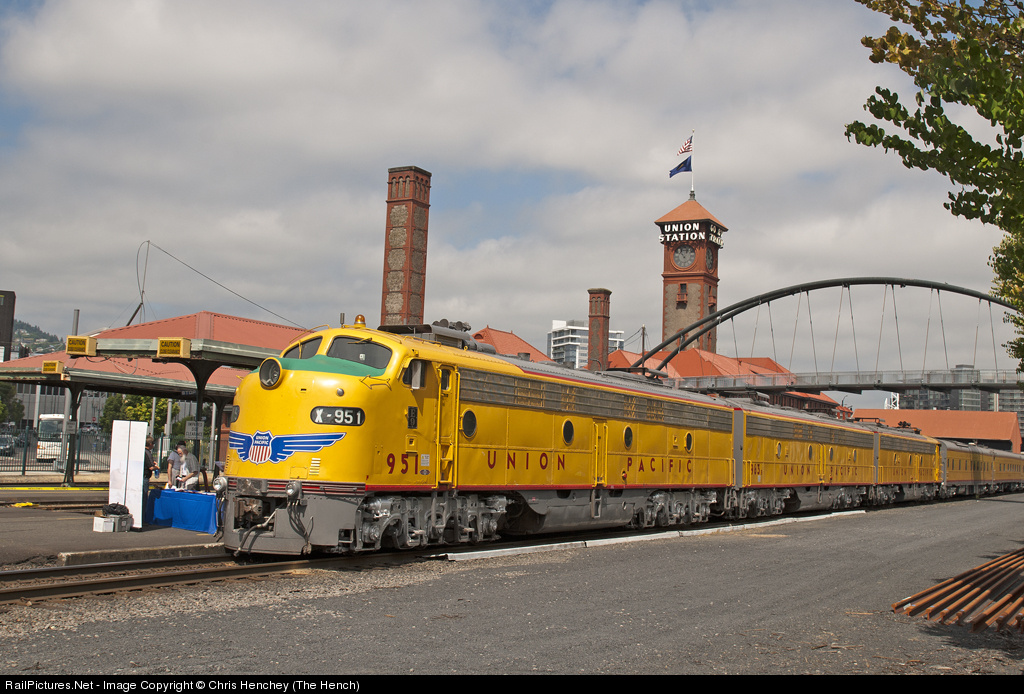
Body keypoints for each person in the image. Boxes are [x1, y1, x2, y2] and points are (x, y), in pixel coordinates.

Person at [142, 435, 159, 517]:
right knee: (144, 498)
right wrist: (157, 467)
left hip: (143, 475)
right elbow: (151, 467)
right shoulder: (147, 452)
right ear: (150, 444)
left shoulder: (142, 451)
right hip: (145, 476)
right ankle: (143, 516)